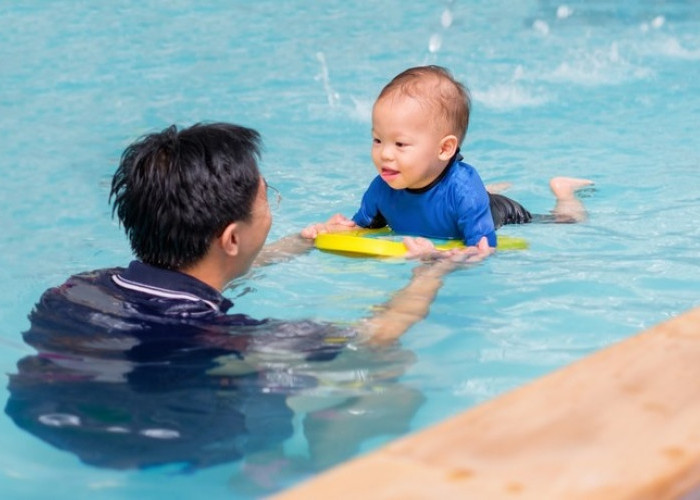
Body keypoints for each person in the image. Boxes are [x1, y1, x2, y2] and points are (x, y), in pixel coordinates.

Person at [6, 122, 481, 474]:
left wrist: (300, 243)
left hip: (47, 418)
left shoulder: (75, 290)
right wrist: (428, 274)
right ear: (232, 238)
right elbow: (378, 334)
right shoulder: (242, 341)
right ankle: (283, 470)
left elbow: (192, 284)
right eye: (266, 197)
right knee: (390, 374)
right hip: (177, 444)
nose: (270, 209)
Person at [301, 65, 593, 255]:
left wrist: (443, 257)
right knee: (457, 195)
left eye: (400, 144)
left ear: (444, 149)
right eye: (377, 140)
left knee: (565, 222)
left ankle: (564, 191)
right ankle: (486, 190)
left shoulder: (464, 191)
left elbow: (483, 248)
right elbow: (363, 229)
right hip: (457, 196)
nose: (384, 153)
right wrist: (327, 228)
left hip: (499, 213)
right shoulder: (382, 187)